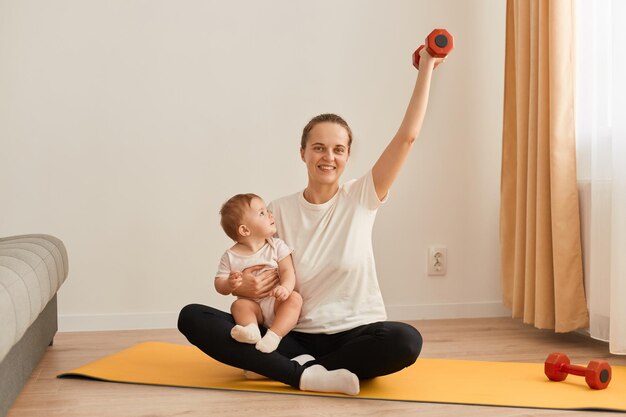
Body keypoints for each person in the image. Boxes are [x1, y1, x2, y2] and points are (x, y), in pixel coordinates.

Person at [178, 47, 445, 395]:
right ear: (302, 153)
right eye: (318, 147)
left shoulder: (362, 196)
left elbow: (407, 138)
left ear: (348, 156)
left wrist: (426, 66)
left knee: (405, 340)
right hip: (289, 335)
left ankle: (286, 370)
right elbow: (252, 272)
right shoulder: (277, 211)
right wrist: (240, 286)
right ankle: (306, 373)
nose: (328, 157)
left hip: (355, 335)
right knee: (193, 316)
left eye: (338, 149)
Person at [215, 193, 302, 354]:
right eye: (262, 213)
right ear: (245, 230)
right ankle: (252, 330)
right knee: (238, 305)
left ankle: (274, 336)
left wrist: (285, 288)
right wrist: (229, 284)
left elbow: (287, 270)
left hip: (276, 302)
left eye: (267, 210)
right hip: (254, 308)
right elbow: (219, 283)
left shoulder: (276, 245)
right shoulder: (230, 256)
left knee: (295, 299)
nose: (270, 214)